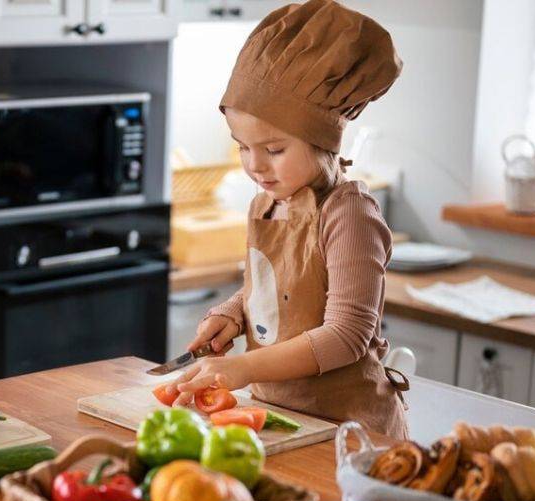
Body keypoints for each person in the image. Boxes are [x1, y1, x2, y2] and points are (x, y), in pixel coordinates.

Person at [174, 0, 409, 438]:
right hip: (282, 421)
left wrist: (243, 367)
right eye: (242, 147)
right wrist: (233, 314)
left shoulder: (348, 214)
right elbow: (273, 292)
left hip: (349, 431)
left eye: (274, 150)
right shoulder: (264, 204)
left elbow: (346, 334)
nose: (255, 166)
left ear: (322, 142)